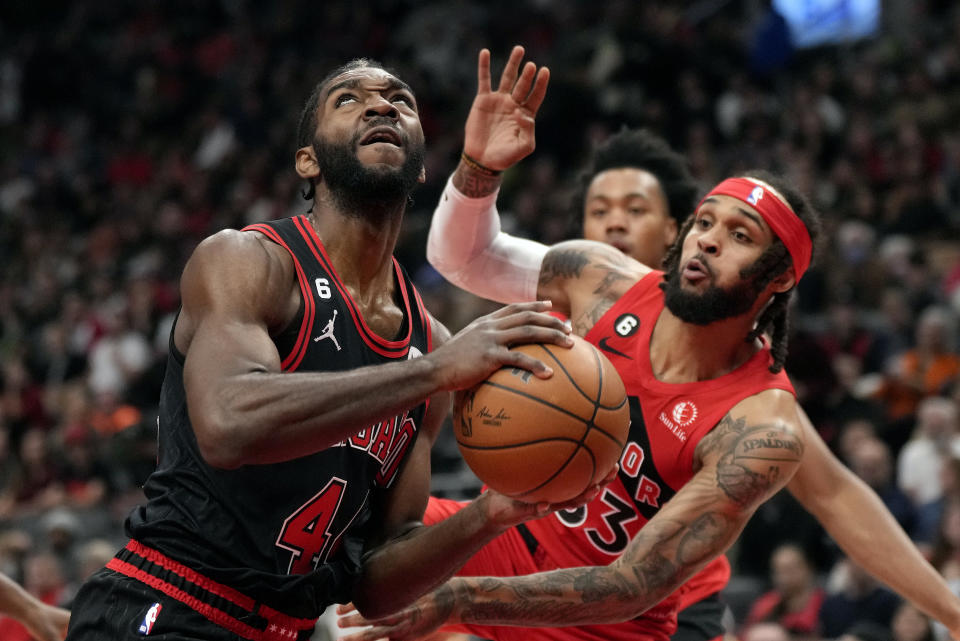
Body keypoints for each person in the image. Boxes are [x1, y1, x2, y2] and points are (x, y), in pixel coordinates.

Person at [338, 46, 960, 641]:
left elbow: (636, 582)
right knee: (340, 521)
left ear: (779, 279)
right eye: (705, 223)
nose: (708, 241)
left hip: (604, 617)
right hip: (505, 534)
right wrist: (480, 168)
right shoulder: (603, 281)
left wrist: (950, 612)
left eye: (738, 235)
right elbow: (464, 256)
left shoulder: (762, 424)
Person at [63, 56, 605, 641]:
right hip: (168, 604)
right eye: (348, 100)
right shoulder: (250, 262)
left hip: (288, 629)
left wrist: (494, 512)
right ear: (309, 160)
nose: (381, 106)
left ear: (421, 166)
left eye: (401, 101)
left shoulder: (433, 348)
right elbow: (228, 423)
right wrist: (432, 374)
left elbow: (374, 584)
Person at [415, 127, 732, 641]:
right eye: (600, 210)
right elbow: (459, 254)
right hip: (522, 547)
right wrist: (480, 166)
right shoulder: (579, 293)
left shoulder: (730, 365)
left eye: (634, 209)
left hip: (640, 602)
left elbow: (834, 495)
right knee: (374, 531)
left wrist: (917, 591)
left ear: (678, 231)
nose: (615, 223)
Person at [0, 571, 70, 641]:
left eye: (46, 573)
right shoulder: (11, 614)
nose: (38, 579)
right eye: (36, 574)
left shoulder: (63, 598)